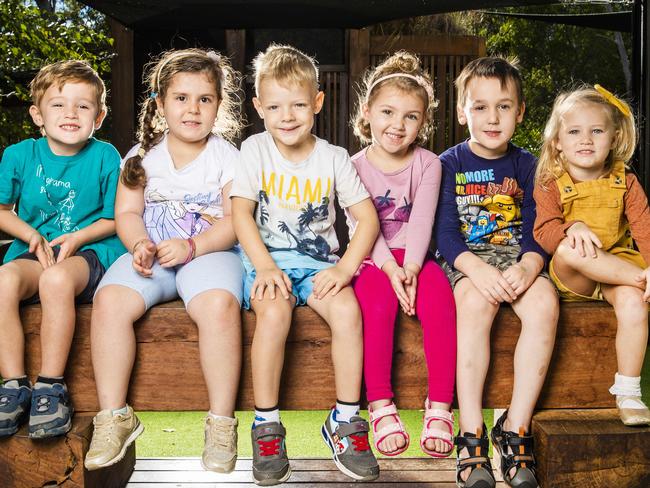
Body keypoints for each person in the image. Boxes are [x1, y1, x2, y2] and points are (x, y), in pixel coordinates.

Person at [84, 48, 245, 473]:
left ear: (218, 106)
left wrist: (194, 247)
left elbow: (236, 220)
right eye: (181, 98)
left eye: (204, 99)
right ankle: (114, 416)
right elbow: (128, 213)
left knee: (219, 306)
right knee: (110, 302)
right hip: (152, 257)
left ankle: (221, 422)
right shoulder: (140, 157)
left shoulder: (228, 157)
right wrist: (138, 244)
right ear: (159, 104)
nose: (192, 108)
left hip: (209, 253)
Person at [231, 44, 380, 485]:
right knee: (274, 314)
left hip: (319, 265)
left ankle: (346, 422)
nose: (287, 115)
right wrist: (264, 267)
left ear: (317, 102)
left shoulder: (333, 157)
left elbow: (367, 219)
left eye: (298, 104)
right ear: (259, 107)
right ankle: (267, 426)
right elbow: (240, 214)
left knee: (349, 312)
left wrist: (346, 268)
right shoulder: (255, 150)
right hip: (267, 260)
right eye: (275, 106)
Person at [435, 57, 558, 488]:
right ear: (461, 112)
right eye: (480, 106)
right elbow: (445, 233)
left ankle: (515, 428)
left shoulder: (529, 166)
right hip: (467, 261)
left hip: (517, 258)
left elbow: (540, 223)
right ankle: (471, 434)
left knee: (545, 301)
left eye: (504, 107)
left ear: (520, 111)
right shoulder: (447, 164)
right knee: (473, 302)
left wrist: (531, 263)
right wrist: (475, 269)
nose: (492, 117)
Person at [0, 60, 124, 439]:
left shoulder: (105, 156)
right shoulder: (20, 155)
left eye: (82, 106)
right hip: (36, 252)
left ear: (98, 117)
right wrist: (33, 237)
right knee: (3, 280)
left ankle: (51, 386)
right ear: (38, 114)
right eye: (58, 104)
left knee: (55, 281)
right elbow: (2, 211)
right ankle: (13, 385)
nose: (70, 113)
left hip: (90, 251)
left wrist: (78, 237)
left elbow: (117, 218)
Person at [349, 51, 456, 458]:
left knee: (441, 302)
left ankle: (441, 406)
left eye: (411, 116)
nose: (398, 125)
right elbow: (363, 226)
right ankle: (379, 403)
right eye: (388, 112)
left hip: (415, 257)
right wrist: (391, 269)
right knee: (377, 307)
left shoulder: (428, 163)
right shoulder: (352, 164)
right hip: (372, 258)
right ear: (368, 112)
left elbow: (423, 220)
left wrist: (410, 267)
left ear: (423, 123)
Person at [534, 84, 650, 427]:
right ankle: (640, 279)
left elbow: (644, 226)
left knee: (635, 305)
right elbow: (543, 232)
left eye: (596, 131)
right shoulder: (551, 181)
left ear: (613, 137)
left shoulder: (625, 180)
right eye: (574, 132)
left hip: (616, 268)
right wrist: (572, 227)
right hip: (577, 276)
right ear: (558, 141)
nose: (586, 140)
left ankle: (629, 392)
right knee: (571, 249)